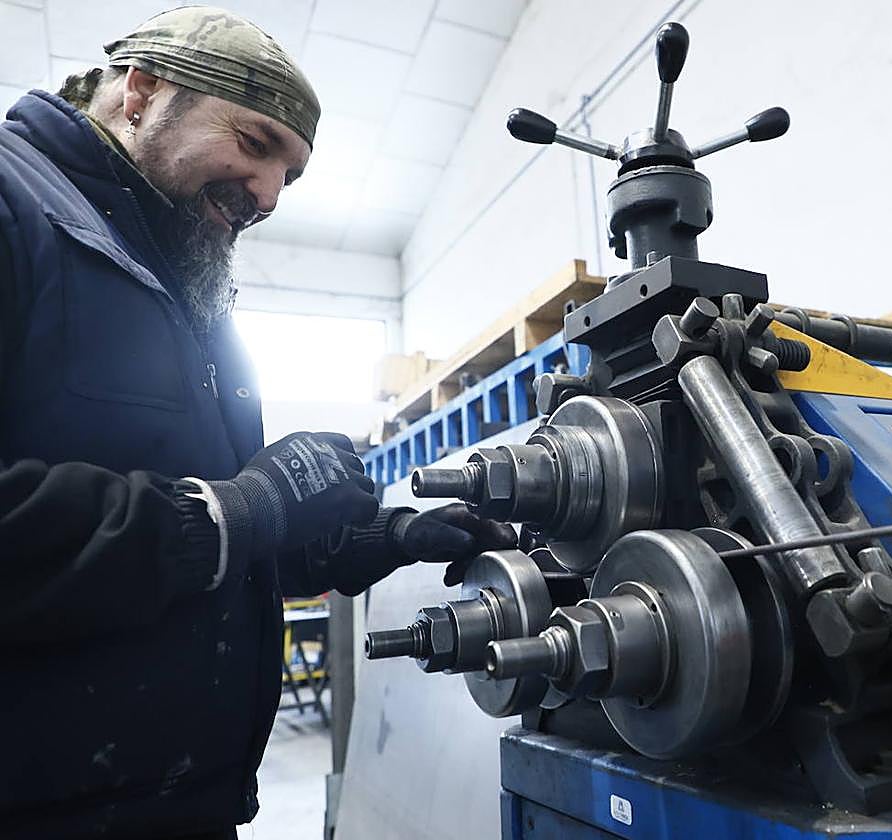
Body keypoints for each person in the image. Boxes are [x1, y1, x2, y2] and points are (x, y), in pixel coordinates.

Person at [0, 7, 514, 838]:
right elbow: (219, 515)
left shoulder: (191, 288)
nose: (269, 194)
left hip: (190, 803)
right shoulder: (13, 205)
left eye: (291, 175)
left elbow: (229, 535)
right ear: (141, 93)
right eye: (255, 142)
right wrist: (230, 513)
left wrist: (378, 540)